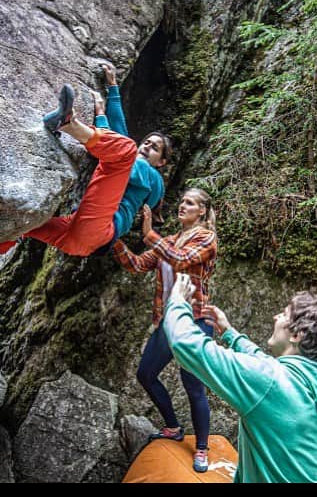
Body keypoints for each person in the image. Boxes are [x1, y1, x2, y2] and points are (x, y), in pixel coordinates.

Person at [163, 274, 317, 483]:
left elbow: (185, 344)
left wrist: (176, 301)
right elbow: (270, 370)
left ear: (297, 335)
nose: (276, 317)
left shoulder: (271, 382)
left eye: (284, 315)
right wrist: (230, 334)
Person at [0, 64, 172, 257]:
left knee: (125, 149)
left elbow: (125, 151)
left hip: (99, 229)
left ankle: (68, 124)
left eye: (155, 148)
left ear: (161, 163)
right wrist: (112, 89)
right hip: (78, 234)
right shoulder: (128, 164)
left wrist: (102, 119)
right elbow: (119, 137)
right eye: (146, 143)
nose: (146, 147)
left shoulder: (153, 178)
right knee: (23, 225)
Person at [112, 188, 218, 474]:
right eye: (182, 201)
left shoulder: (206, 238)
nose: (183, 205)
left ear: (203, 212)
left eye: (190, 203)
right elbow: (135, 264)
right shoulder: (169, 241)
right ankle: (173, 427)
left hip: (194, 321)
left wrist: (148, 233)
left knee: (193, 385)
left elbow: (181, 259)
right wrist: (113, 240)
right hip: (168, 321)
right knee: (145, 374)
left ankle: (202, 449)